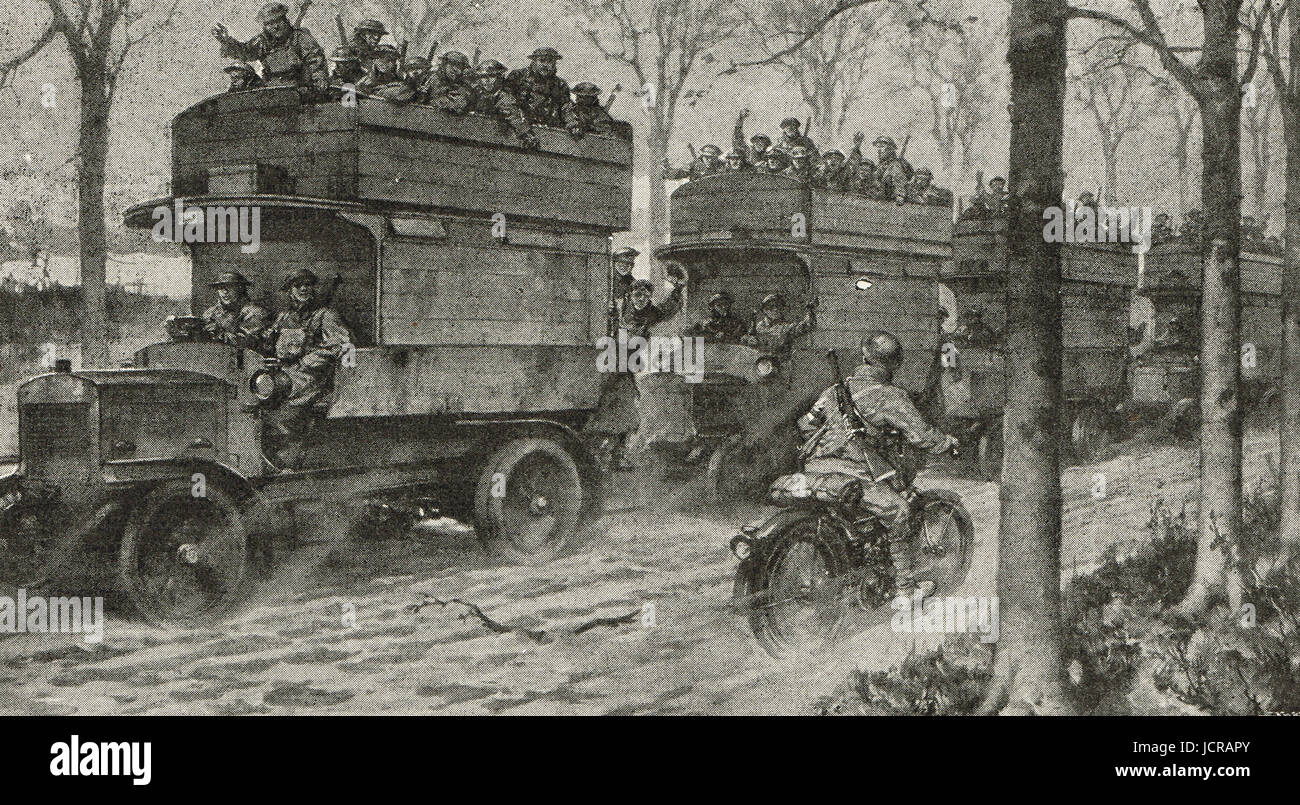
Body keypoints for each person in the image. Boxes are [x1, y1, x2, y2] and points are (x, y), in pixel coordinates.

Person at [797, 331, 959, 597]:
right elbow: (921, 436)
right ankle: (906, 591)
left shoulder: (833, 391)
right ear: (896, 364)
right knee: (899, 512)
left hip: (816, 470)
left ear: (864, 357)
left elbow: (805, 424)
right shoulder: (889, 395)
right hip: (855, 474)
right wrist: (947, 443)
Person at [262, 268, 353, 470]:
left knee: (285, 411)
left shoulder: (325, 316)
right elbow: (271, 346)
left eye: (308, 285)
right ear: (290, 291)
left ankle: (289, 462)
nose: (303, 288)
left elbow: (342, 346)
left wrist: (308, 362)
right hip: (285, 372)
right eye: (298, 285)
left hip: (313, 377)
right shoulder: (283, 317)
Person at [212, 3, 328, 97]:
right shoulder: (262, 41)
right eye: (270, 23)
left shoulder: (300, 38)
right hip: (271, 93)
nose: (275, 26)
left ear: (285, 20)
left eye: (278, 21)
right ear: (265, 26)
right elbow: (245, 52)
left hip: (300, 93)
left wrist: (319, 78)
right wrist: (226, 40)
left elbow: (315, 59)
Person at [506, 47, 579, 132]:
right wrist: (517, 121)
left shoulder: (560, 84)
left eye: (549, 61)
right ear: (534, 61)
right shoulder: (518, 76)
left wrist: (572, 124)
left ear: (554, 64)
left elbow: (566, 107)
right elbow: (506, 100)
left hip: (549, 130)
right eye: (542, 60)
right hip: (518, 128)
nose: (545, 65)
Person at [470, 60, 539, 149]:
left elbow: (511, 114)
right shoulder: (475, 93)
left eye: (491, 76)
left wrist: (525, 134)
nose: (487, 80)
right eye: (483, 77)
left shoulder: (504, 97)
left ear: (500, 77)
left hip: (493, 140)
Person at [201, 271, 270, 350]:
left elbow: (245, 342)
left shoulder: (255, 312)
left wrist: (217, 333)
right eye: (220, 288)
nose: (225, 292)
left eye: (230, 287)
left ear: (240, 289)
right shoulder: (210, 313)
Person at [742, 293, 816, 354]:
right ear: (764, 310)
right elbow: (747, 340)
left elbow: (807, 326)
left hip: (782, 364)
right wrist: (747, 339)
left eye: (778, 306)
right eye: (771, 307)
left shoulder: (787, 327)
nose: (775, 309)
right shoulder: (758, 326)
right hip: (763, 365)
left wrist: (810, 310)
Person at [873, 136, 913, 204]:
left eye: (882, 146)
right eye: (878, 147)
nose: (879, 150)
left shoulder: (895, 165)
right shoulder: (882, 165)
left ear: (890, 149)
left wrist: (900, 196)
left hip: (890, 200)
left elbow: (899, 180)